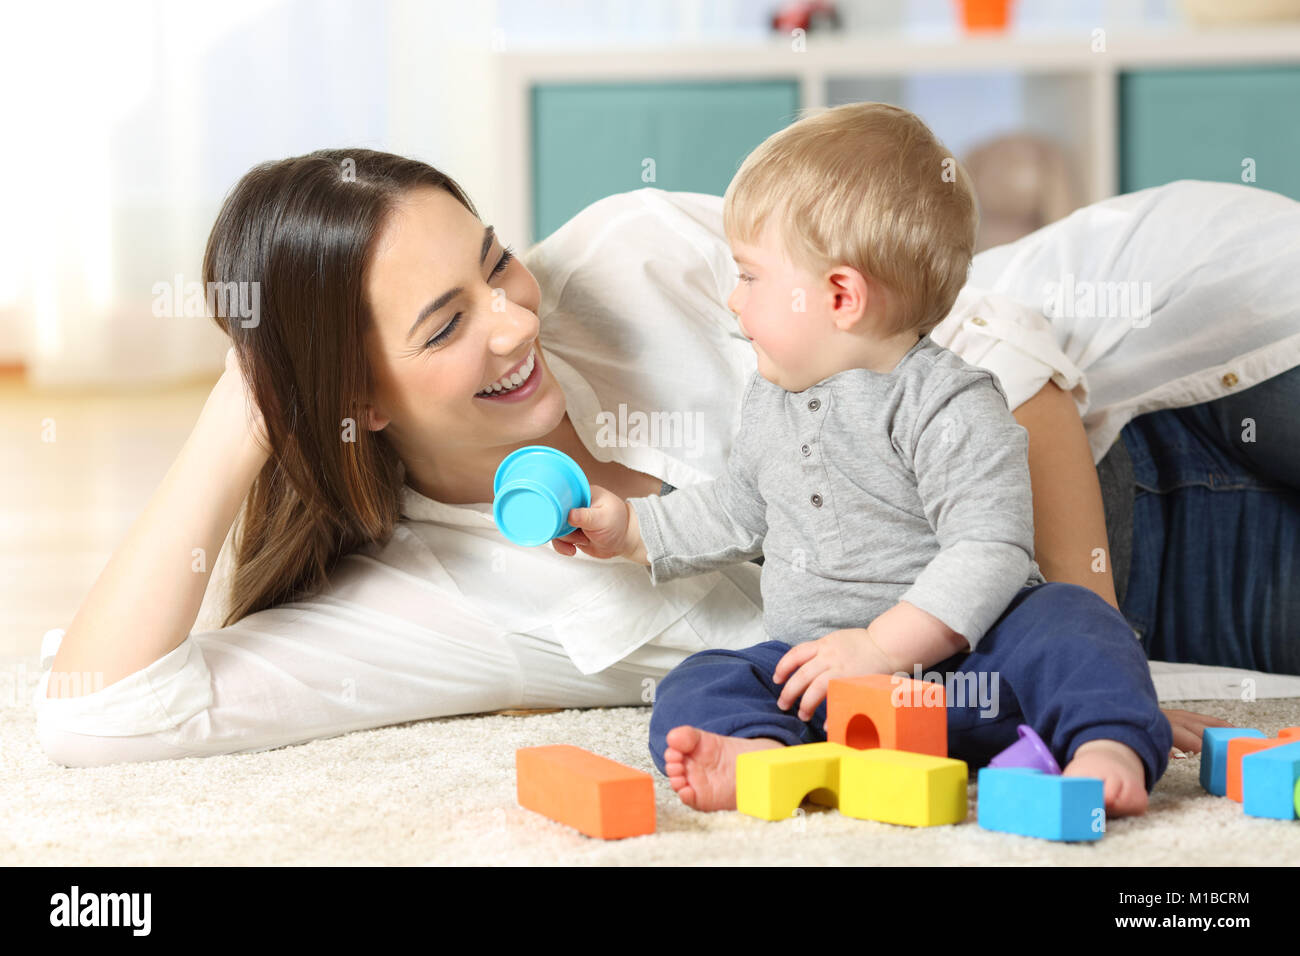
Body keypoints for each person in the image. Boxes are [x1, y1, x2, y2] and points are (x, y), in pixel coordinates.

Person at [35, 147, 1264, 769]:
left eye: (493, 262)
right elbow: (100, 716)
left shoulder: (632, 257)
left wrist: (1090, 653)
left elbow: (1003, 358)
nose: (515, 321)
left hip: (1170, 375)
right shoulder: (426, 596)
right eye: (446, 324)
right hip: (1174, 595)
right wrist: (247, 406)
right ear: (353, 393)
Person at [555, 102, 1170, 816]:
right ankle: (764, 753)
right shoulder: (769, 401)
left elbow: (990, 550)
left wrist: (882, 647)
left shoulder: (949, 402)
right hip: (827, 682)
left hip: (972, 675)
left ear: (841, 296)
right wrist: (631, 530)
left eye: (750, 277)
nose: (732, 299)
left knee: (1071, 622)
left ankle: (1106, 745)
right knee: (703, 680)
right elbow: (736, 509)